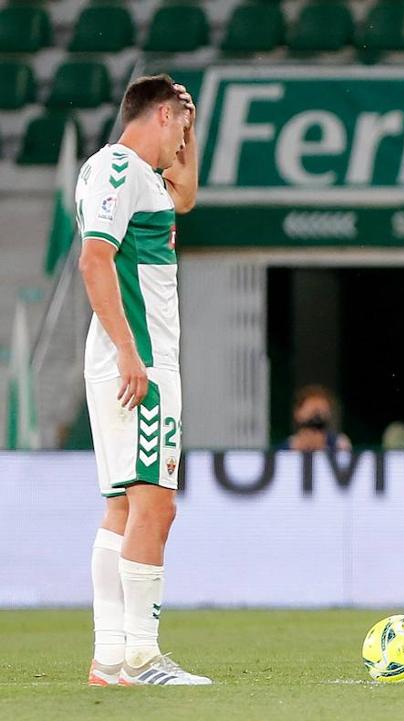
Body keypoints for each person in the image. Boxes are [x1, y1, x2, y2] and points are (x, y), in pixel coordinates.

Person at [80, 75, 211, 686]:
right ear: (160, 115)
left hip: (126, 357)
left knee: (122, 507)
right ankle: (142, 655)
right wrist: (131, 352)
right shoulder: (119, 171)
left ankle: (111, 657)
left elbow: (183, 198)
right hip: (139, 360)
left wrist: (192, 127)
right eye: (180, 130)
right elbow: (94, 259)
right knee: (156, 506)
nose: (181, 146)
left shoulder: (129, 175)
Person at [280, 384, 352, 452]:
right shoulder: (284, 450)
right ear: (297, 413)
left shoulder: (339, 445)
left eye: (321, 408)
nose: (317, 413)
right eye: (312, 408)